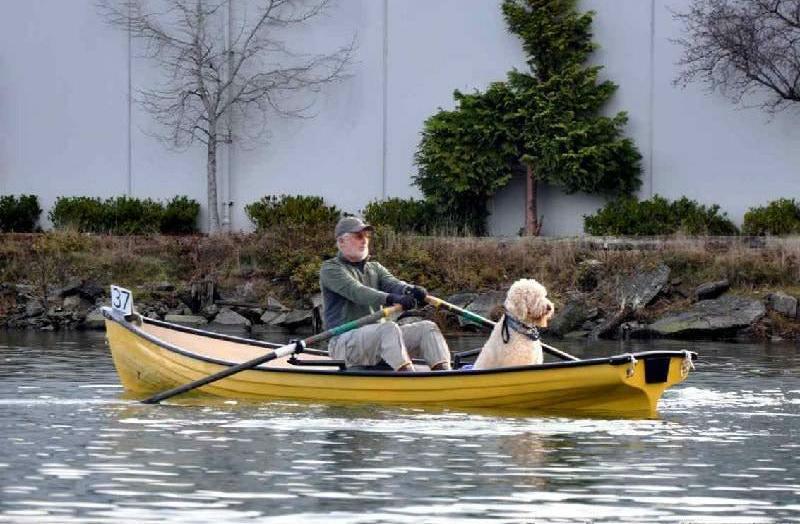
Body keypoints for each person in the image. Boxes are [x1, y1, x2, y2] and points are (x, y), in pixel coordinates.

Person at [320, 216, 452, 372]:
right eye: (358, 236)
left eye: (366, 236)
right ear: (341, 242)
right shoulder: (330, 269)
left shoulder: (375, 268)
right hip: (343, 343)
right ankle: (410, 379)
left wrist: (411, 290)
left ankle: (445, 374)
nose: (364, 241)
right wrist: (391, 298)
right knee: (389, 328)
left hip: (379, 339)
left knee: (427, 328)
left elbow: (394, 284)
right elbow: (358, 292)